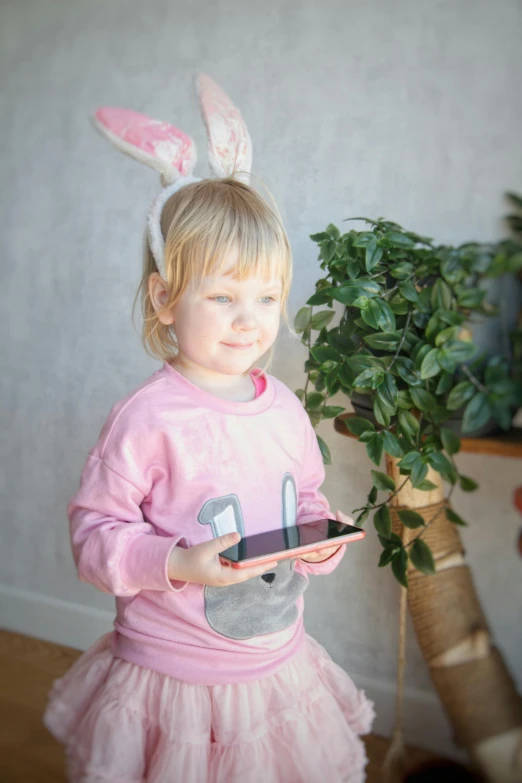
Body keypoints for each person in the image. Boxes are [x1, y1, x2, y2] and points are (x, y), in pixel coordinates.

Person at [43, 75, 374, 782]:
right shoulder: (147, 418)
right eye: (222, 295)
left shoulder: (284, 405)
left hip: (276, 662)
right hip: (175, 676)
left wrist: (321, 541)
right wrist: (175, 563)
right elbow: (93, 535)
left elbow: (304, 501)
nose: (249, 318)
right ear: (165, 297)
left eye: (265, 295)